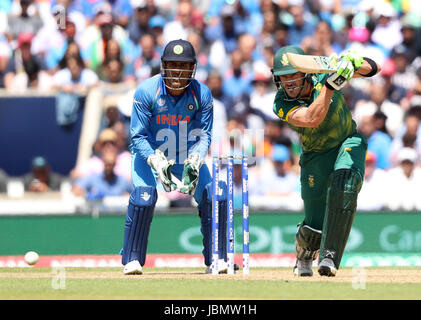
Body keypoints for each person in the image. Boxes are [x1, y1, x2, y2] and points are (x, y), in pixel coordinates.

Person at [121, 39, 231, 275]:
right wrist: (155, 160)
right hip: (149, 156)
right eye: (172, 65)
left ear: (192, 68)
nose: (177, 72)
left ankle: (217, 258)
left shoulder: (202, 93)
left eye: (183, 66)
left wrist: (196, 160)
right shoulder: (146, 91)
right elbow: (137, 136)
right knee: (143, 197)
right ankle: (132, 259)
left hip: (186, 155)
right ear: (163, 66)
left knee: (214, 195)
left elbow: (204, 136)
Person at [271, 45, 381, 277]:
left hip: (347, 141)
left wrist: (351, 62)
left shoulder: (323, 74)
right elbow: (312, 118)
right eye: (283, 77)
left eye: (293, 74)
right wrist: (331, 85)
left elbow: (374, 68)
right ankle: (304, 255)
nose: (288, 82)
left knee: (345, 185)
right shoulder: (280, 103)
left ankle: (329, 256)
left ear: (305, 72)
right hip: (315, 155)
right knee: (314, 224)